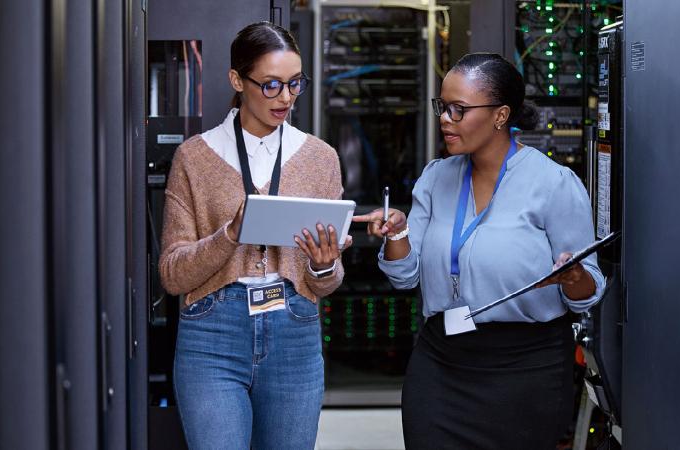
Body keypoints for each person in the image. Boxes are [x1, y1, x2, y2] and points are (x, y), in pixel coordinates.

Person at [353, 53, 606, 449]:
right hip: (441, 364)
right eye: (443, 107)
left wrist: (573, 276)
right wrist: (397, 234)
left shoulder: (553, 183)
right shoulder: (436, 178)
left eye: (459, 109)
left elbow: (588, 293)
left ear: (501, 115)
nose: (445, 119)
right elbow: (405, 277)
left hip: (525, 370)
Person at [159, 22, 349, 450]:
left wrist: (323, 264)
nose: (286, 97)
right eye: (270, 85)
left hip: (295, 331)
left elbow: (329, 283)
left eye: (295, 83)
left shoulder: (320, 158)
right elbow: (172, 275)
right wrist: (231, 233)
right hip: (212, 335)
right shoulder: (194, 157)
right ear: (236, 81)